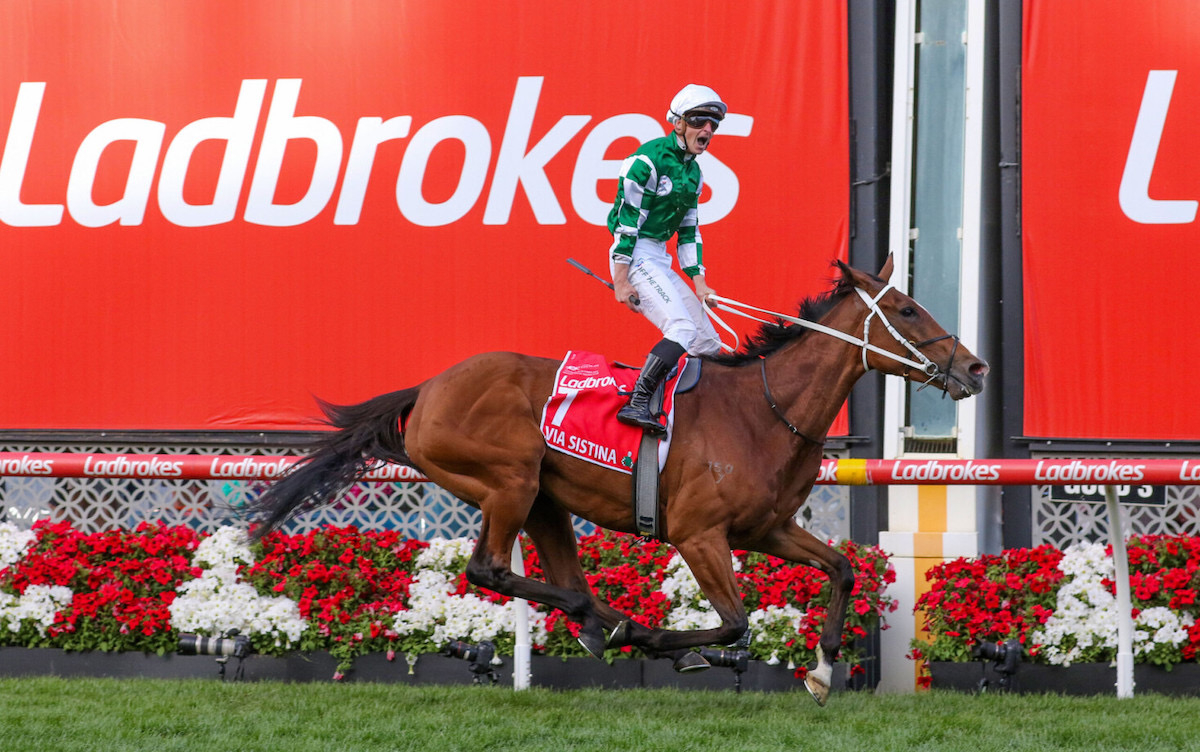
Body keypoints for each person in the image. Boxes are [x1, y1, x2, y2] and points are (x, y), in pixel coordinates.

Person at [607, 84, 727, 436]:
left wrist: (701, 285)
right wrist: (620, 280)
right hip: (635, 254)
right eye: (699, 121)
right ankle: (637, 402)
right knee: (682, 329)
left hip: (658, 256)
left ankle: (699, 416)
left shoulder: (694, 174)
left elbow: (689, 231)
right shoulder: (646, 161)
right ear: (678, 123)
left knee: (709, 343)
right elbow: (627, 224)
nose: (707, 129)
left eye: (713, 124)